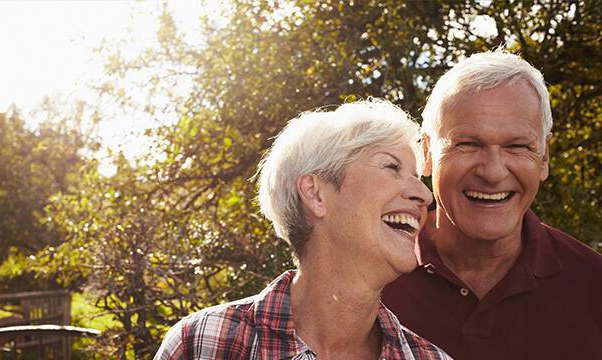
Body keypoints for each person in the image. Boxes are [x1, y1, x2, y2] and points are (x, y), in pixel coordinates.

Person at [155, 99, 451, 359]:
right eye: (391, 167)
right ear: (315, 194)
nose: (425, 196)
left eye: (416, 177)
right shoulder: (204, 343)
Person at [381, 49, 602, 360]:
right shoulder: (367, 277)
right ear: (427, 153)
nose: (493, 172)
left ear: (544, 157)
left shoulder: (594, 286)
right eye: (468, 144)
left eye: (517, 146)